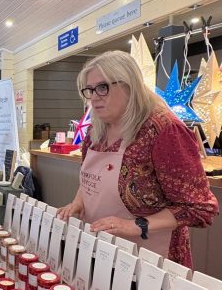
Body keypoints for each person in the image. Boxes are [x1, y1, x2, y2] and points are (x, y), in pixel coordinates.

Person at [56, 50, 218, 267]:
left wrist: (136, 225)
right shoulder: (97, 130)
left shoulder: (164, 130)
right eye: (89, 90)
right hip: (102, 248)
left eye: (102, 88)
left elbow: (200, 208)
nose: (94, 97)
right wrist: (78, 202)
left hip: (151, 259)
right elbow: (91, 178)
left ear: (129, 85)